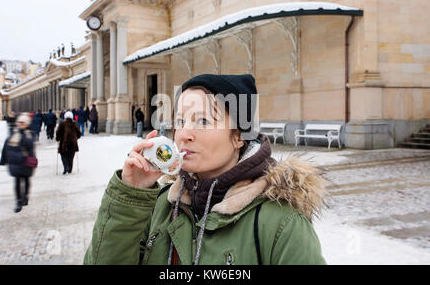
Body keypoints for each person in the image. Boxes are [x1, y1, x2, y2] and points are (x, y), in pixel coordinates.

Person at [84, 74, 327, 265]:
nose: (184, 134)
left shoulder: (281, 225)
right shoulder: (160, 207)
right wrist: (131, 196)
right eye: (180, 121)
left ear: (239, 137)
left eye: (202, 121)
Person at [0, 113, 35, 213]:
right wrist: (4, 160)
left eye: (23, 123)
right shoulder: (13, 133)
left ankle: (25, 196)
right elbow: (6, 147)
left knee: (26, 180)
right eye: (19, 122)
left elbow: (30, 146)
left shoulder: (29, 134)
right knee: (17, 182)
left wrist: (21, 135)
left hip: (27, 162)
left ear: (27, 123)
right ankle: (18, 201)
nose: (21, 124)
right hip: (16, 163)